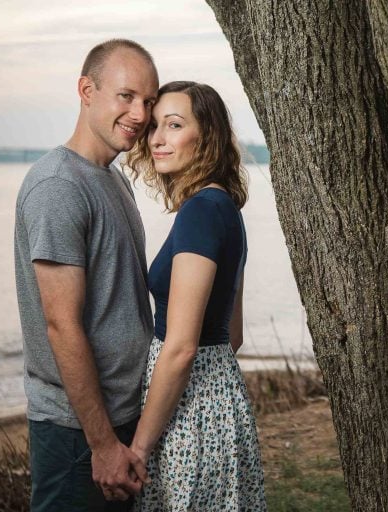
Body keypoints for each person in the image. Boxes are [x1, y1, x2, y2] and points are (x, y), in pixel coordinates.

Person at [13, 39, 158, 511]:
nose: (140, 114)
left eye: (149, 101)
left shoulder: (113, 179)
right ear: (86, 90)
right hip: (78, 434)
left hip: (121, 422)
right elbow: (61, 324)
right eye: (127, 96)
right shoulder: (59, 185)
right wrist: (100, 444)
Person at [125, 81, 266, 510]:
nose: (157, 139)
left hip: (189, 412)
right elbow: (232, 334)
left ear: (206, 135)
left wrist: (140, 449)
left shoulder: (201, 213)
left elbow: (182, 348)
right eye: (154, 127)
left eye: (174, 125)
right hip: (219, 401)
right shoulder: (224, 207)